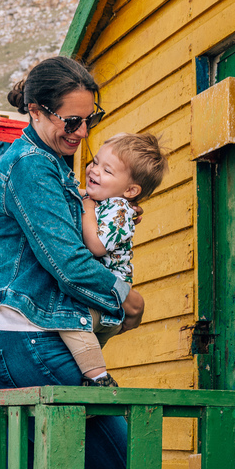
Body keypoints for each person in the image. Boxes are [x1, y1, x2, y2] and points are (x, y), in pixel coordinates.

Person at [0, 56, 144, 469]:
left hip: (23, 338)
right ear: (36, 111)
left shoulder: (53, 167)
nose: (82, 132)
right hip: (22, 336)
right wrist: (124, 296)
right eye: (71, 122)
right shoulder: (31, 167)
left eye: (90, 119)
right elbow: (67, 264)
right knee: (122, 460)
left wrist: (117, 215)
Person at [58, 133, 167, 387]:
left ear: (130, 190)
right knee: (86, 348)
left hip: (106, 296)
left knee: (68, 319)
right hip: (100, 296)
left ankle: (99, 379)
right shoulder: (107, 201)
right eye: (95, 162)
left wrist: (86, 207)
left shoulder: (118, 208)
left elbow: (96, 246)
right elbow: (78, 192)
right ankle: (91, 374)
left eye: (106, 170)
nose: (94, 170)